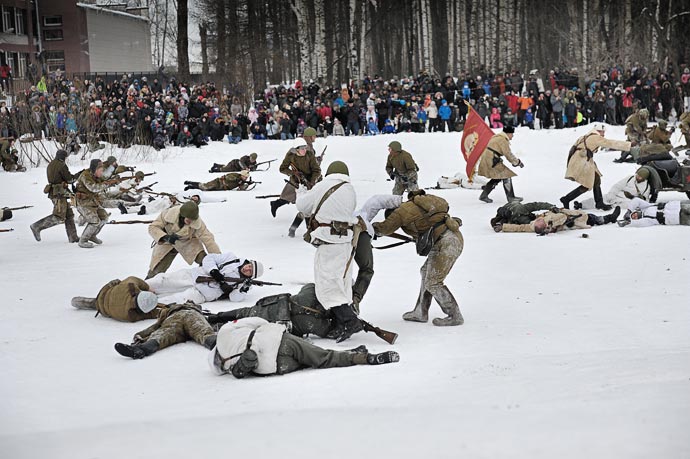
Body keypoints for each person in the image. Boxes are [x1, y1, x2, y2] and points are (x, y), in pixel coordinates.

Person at [373, 190, 464, 326]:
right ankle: (420, 311)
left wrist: (371, 228)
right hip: (450, 238)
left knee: (433, 281)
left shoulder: (400, 213)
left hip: (446, 243)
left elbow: (385, 228)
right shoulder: (418, 205)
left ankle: (454, 315)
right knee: (425, 272)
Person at [296, 160, 363, 342]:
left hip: (329, 240)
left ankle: (350, 321)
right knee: (342, 280)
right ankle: (341, 323)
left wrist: (301, 191)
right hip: (345, 241)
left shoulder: (324, 185)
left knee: (327, 283)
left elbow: (303, 206)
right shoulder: (350, 189)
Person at [209, 317, 399, 378]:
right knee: (322, 357)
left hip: (277, 367)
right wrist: (271, 327)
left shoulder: (229, 366)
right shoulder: (226, 332)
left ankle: (351, 354)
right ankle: (363, 358)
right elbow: (257, 321)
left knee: (313, 360)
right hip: (277, 341)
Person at [206, 283, 335, 339]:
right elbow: (328, 331)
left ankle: (211, 318)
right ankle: (212, 327)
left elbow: (311, 285)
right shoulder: (318, 325)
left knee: (242, 313)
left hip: (265, 308)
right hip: (268, 324)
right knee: (240, 327)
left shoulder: (310, 293)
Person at [560, 124, 632, 210]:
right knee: (587, 185)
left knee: (596, 179)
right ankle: (566, 199)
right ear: (598, 131)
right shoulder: (595, 137)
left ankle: (599, 203)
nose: (603, 134)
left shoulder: (585, 136)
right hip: (583, 162)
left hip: (581, 161)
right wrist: (629, 145)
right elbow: (610, 143)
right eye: (602, 132)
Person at [351, 194, 403, 310]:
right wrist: (401, 201)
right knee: (366, 269)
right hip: (360, 233)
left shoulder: (355, 213)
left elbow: (376, 201)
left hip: (336, 236)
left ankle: (346, 299)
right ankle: (355, 299)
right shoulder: (362, 216)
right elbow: (376, 201)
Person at [147, 253, 263, 305]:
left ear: (251, 276)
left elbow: (234, 298)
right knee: (162, 280)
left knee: (173, 301)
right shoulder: (231, 258)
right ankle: (138, 286)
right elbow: (209, 258)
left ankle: (146, 306)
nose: (248, 269)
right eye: (249, 266)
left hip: (201, 295)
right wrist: (214, 271)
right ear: (248, 262)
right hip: (192, 276)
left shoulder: (242, 284)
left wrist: (244, 288)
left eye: (251, 272)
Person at [114, 302, 217, 360]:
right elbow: (156, 327)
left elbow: (155, 327)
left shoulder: (193, 311)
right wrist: (141, 336)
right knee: (202, 331)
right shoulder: (167, 315)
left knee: (162, 334)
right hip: (180, 319)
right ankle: (140, 350)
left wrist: (141, 335)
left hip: (185, 317)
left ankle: (221, 346)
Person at [146, 201, 221, 279]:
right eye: (188, 218)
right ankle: (146, 285)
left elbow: (208, 239)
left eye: (192, 219)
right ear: (182, 214)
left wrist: (218, 258)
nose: (190, 221)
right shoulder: (167, 214)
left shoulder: (198, 223)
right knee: (156, 269)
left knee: (205, 260)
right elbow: (153, 227)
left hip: (187, 242)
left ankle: (209, 278)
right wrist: (165, 237)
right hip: (167, 242)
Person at [270, 137, 322, 237]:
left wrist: (312, 182)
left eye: (305, 148)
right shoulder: (290, 156)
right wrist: (293, 173)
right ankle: (305, 230)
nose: (304, 150)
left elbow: (317, 170)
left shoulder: (309, 155)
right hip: (298, 184)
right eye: (302, 148)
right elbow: (282, 168)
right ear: (296, 149)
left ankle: (296, 229)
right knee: (305, 208)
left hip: (311, 182)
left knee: (309, 208)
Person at [30, 149, 79, 243]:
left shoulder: (51, 164)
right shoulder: (61, 165)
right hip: (59, 194)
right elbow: (70, 179)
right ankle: (37, 226)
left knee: (69, 215)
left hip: (54, 193)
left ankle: (73, 237)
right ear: (63, 157)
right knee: (59, 216)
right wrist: (78, 175)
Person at [70, 276, 160, 322]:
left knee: (115, 283)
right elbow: (150, 315)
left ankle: (85, 302)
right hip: (105, 311)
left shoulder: (130, 287)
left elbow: (133, 278)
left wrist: (147, 288)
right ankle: (91, 303)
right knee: (103, 304)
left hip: (103, 295)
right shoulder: (130, 315)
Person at [477, 125, 524, 203]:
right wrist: (517, 162)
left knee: (497, 177)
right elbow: (508, 154)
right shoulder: (503, 140)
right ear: (508, 133)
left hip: (488, 159)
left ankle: (483, 195)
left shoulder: (497, 137)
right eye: (512, 134)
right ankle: (511, 198)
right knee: (506, 175)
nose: (512, 136)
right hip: (492, 160)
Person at [494, 206, 621, 234]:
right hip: (574, 220)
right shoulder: (548, 223)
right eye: (541, 222)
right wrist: (551, 225)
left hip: (571, 214)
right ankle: (610, 218)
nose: (540, 220)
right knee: (593, 218)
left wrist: (503, 227)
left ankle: (608, 217)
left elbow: (519, 228)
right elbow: (563, 218)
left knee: (588, 215)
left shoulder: (533, 224)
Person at [74, 159, 112, 248]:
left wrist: (113, 181)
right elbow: (93, 188)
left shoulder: (95, 175)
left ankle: (92, 235)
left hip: (92, 201)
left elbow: (103, 181)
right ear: (95, 169)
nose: (102, 172)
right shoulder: (85, 175)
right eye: (101, 170)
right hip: (83, 203)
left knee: (104, 217)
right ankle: (83, 240)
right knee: (94, 221)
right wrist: (107, 184)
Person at [574, 169, 651, 210]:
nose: (637, 177)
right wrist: (612, 194)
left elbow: (645, 200)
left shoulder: (646, 187)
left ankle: (610, 206)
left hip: (626, 200)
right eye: (637, 175)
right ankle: (581, 204)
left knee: (625, 204)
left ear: (644, 178)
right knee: (602, 198)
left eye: (640, 177)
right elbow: (618, 186)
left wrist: (633, 198)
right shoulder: (630, 178)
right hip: (618, 194)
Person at [618, 197, 690, 227]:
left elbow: (636, 200)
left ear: (635, 212)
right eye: (635, 218)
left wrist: (629, 211)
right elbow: (640, 223)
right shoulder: (647, 220)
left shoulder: (646, 207)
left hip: (677, 206)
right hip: (676, 218)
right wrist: (629, 222)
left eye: (634, 214)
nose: (636, 216)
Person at [489, 201, 556, 227]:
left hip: (512, 209)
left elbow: (537, 205)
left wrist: (551, 207)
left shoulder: (524, 209)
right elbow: (537, 205)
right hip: (511, 212)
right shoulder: (525, 216)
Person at [184, 170, 252, 191]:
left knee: (205, 188)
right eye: (245, 177)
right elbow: (228, 177)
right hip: (218, 182)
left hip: (221, 188)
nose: (245, 178)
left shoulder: (241, 182)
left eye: (246, 178)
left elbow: (240, 189)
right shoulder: (235, 175)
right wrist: (238, 180)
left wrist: (247, 184)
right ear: (242, 175)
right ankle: (190, 184)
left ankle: (191, 186)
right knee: (205, 187)